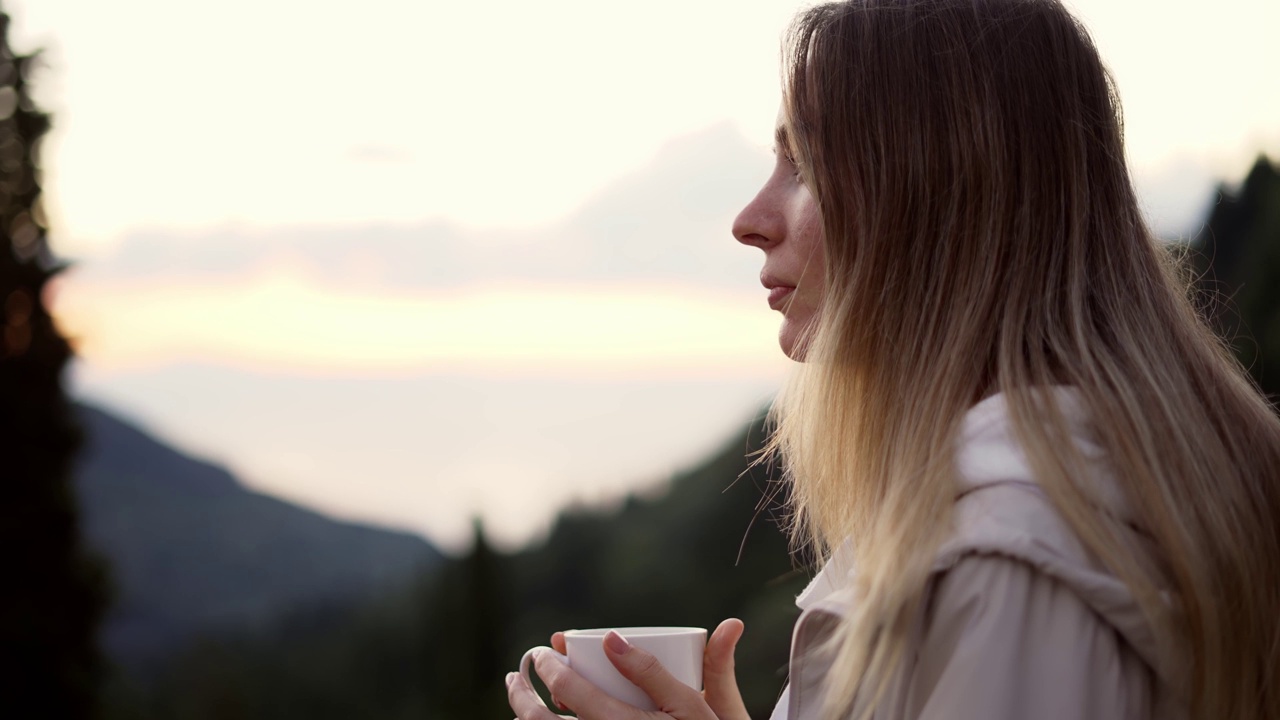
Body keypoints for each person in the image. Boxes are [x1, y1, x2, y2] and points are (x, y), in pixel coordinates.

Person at [506, 0, 1280, 718]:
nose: (749, 221)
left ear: (940, 198)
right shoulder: (1047, 511)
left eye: (803, 164)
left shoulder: (1009, 556)